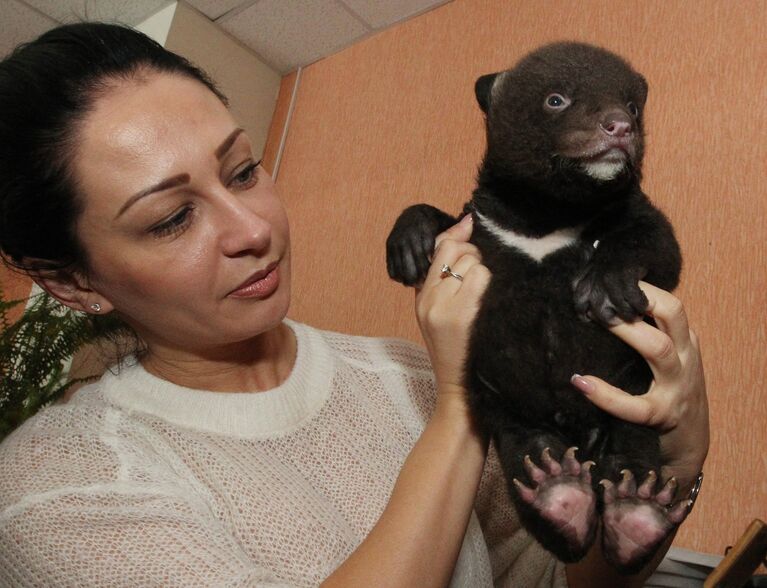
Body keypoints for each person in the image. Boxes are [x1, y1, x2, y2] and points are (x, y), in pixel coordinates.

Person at [0, 23, 708, 587]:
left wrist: (677, 451)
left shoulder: (404, 374)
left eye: (243, 171)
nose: (253, 230)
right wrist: (466, 401)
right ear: (71, 282)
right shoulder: (53, 492)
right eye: (170, 219)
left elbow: (561, 578)